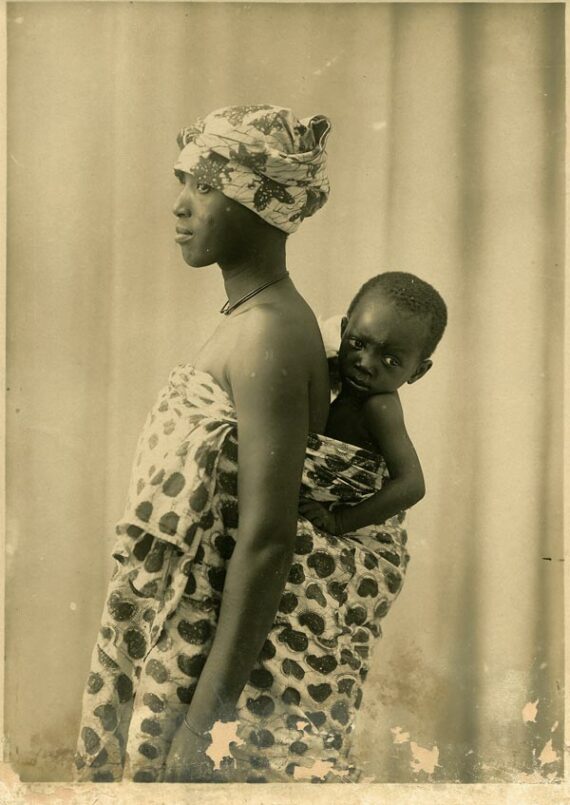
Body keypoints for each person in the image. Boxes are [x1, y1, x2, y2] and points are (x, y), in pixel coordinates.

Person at [74, 105, 409, 785]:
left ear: (260, 202)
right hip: (175, 628)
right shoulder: (252, 320)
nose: (179, 206)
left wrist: (204, 724)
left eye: (204, 186)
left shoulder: (269, 335)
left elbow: (266, 538)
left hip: (200, 660)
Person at [300, 272, 447, 536]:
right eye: (358, 344)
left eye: (391, 361)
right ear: (343, 330)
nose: (365, 364)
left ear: (417, 372)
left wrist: (340, 522)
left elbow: (412, 485)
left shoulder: (380, 406)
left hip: (358, 534)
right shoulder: (333, 369)